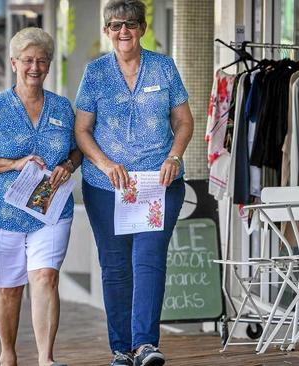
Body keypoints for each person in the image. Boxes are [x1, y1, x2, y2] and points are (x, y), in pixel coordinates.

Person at [74, 1, 194, 365]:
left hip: (157, 183)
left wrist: (174, 156)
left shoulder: (164, 66)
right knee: (115, 266)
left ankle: (145, 345)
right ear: (107, 31)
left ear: (142, 28)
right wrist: (105, 163)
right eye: (115, 25)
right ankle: (121, 350)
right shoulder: (94, 72)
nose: (122, 31)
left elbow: (185, 122)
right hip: (105, 186)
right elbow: (82, 130)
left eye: (129, 24)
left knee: (149, 261)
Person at [0, 27, 81, 366]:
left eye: (42, 61)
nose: (35, 67)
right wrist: (14, 163)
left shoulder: (62, 107)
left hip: (50, 210)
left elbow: (76, 151)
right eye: (28, 60)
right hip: (2, 212)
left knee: (45, 276)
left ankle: (46, 358)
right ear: (14, 63)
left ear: (48, 66)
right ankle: (8, 354)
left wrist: (68, 166)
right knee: (10, 288)